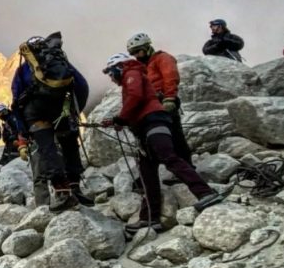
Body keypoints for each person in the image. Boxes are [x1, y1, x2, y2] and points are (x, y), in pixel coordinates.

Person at [101, 53, 222, 233]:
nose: (111, 78)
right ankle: (150, 218)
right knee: (146, 173)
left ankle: (206, 193)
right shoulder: (132, 75)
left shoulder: (131, 73)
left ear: (118, 67)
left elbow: (136, 96)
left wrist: (120, 118)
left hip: (153, 122)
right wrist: (118, 121)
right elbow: (135, 104)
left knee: (168, 157)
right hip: (146, 128)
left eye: (111, 72)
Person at [11, 32, 90, 209]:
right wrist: (75, 112)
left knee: (48, 150)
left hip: (36, 115)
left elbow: (15, 102)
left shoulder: (23, 71)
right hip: (62, 109)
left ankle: (62, 194)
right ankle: (75, 187)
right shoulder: (61, 64)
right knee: (70, 145)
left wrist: (23, 132)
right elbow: (82, 85)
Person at [125, 31, 192, 164]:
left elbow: (170, 77)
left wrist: (170, 98)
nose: (136, 56)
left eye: (138, 51)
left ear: (146, 47)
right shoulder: (143, 65)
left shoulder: (162, 58)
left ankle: (186, 165)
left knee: (175, 135)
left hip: (164, 101)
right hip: (152, 105)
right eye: (133, 53)